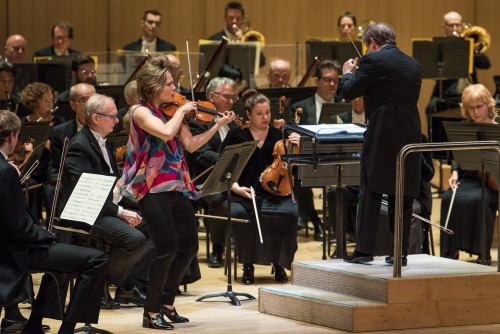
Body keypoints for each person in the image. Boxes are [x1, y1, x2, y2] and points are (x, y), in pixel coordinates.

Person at [117, 55, 235, 329]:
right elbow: (166, 133)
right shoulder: (141, 112)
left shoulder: (173, 110)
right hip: (151, 188)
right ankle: (150, 311)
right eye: (169, 84)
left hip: (177, 187)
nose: (174, 89)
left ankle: (167, 303)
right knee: (166, 248)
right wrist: (183, 111)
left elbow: (190, 145)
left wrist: (216, 125)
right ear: (154, 87)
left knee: (189, 247)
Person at [0, 109, 108, 334]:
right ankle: (67, 329)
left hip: (8, 247)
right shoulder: (5, 172)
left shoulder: (6, 169)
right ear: (11, 136)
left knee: (60, 260)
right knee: (95, 259)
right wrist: (46, 236)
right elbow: (18, 226)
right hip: (13, 252)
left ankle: (34, 324)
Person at [338, 22, 422, 266]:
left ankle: (364, 250)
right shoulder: (413, 64)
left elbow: (349, 92)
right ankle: (400, 253)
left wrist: (347, 72)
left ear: (372, 43)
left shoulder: (372, 61)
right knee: (403, 194)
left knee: (371, 190)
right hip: (410, 134)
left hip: (380, 135)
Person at [61, 94, 153, 307]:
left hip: (108, 205)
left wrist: (131, 194)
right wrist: (120, 212)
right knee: (135, 239)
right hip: (89, 211)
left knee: (158, 226)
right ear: (96, 118)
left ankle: (126, 286)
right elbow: (87, 194)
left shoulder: (103, 141)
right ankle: (99, 279)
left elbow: (113, 182)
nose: (117, 120)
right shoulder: (79, 147)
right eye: (112, 116)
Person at [221, 88, 299, 284]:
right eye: (259, 113)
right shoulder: (235, 137)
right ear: (248, 114)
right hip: (243, 193)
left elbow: (292, 170)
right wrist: (236, 187)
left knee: (289, 214)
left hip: (275, 192)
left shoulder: (279, 136)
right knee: (240, 215)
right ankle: (247, 264)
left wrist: (297, 146)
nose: (265, 117)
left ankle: (279, 263)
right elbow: (224, 170)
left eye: (267, 113)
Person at [440, 84, 499, 265]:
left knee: (479, 200)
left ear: (488, 105)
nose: (475, 112)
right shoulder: (465, 128)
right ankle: (450, 251)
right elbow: (457, 156)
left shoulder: (498, 128)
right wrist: (455, 172)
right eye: (470, 108)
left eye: (479, 107)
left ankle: (483, 254)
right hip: (467, 179)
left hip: (492, 181)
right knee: (448, 198)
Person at [187, 77, 238, 268]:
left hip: (232, 176)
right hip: (204, 179)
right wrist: (228, 160)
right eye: (226, 97)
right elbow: (202, 153)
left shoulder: (232, 121)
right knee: (217, 201)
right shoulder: (197, 122)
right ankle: (218, 248)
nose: (231, 101)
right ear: (211, 96)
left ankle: (246, 247)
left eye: (233, 97)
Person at [291, 59, 342, 241]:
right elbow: (293, 134)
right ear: (317, 81)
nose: (332, 84)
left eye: (335, 80)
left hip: (337, 159)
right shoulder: (301, 107)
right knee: (298, 175)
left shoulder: (344, 107)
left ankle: (341, 227)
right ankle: (316, 222)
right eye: (327, 80)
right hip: (311, 160)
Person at [425, 11, 491, 115]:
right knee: (431, 108)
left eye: (457, 25)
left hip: (469, 91)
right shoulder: (439, 46)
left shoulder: (469, 44)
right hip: (445, 92)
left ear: (462, 26)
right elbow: (432, 71)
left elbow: (486, 64)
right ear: (444, 27)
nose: (455, 28)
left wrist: (472, 48)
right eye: (451, 25)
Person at [207, 1, 265, 67]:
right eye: (231, 18)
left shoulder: (248, 39)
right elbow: (208, 63)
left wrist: (243, 41)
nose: (234, 21)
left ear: (242, 18)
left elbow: (261, 62)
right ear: (225, 18)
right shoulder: (213, 39)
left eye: (238, 18)